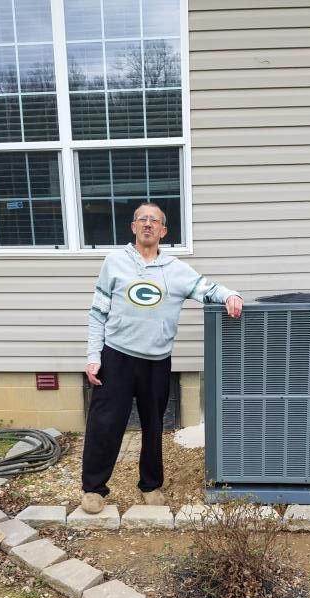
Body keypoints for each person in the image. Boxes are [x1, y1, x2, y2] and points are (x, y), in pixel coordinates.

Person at [81, 202, 243, 513]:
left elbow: (207, 289)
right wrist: (93, 356)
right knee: (105, 423)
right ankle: (94, 489)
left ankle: (151, 485)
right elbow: (97, 313)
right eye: (142, 219)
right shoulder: (114, 262)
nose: (147, 224)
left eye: (154, 221)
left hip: (156, 362)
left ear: (163, 231)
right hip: (115, 357)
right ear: (133, 227)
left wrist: (230, 295)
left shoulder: (176, 269)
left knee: (153, 426)